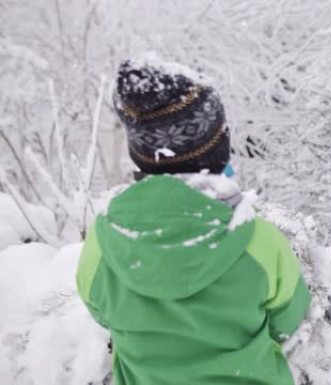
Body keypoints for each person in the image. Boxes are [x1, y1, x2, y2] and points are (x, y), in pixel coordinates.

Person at [76, 57, 311, 385]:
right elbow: (289, 319)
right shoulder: (259, 240)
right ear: (218, 149)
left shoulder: (103, 244)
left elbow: (101, 313)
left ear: (140, 157)